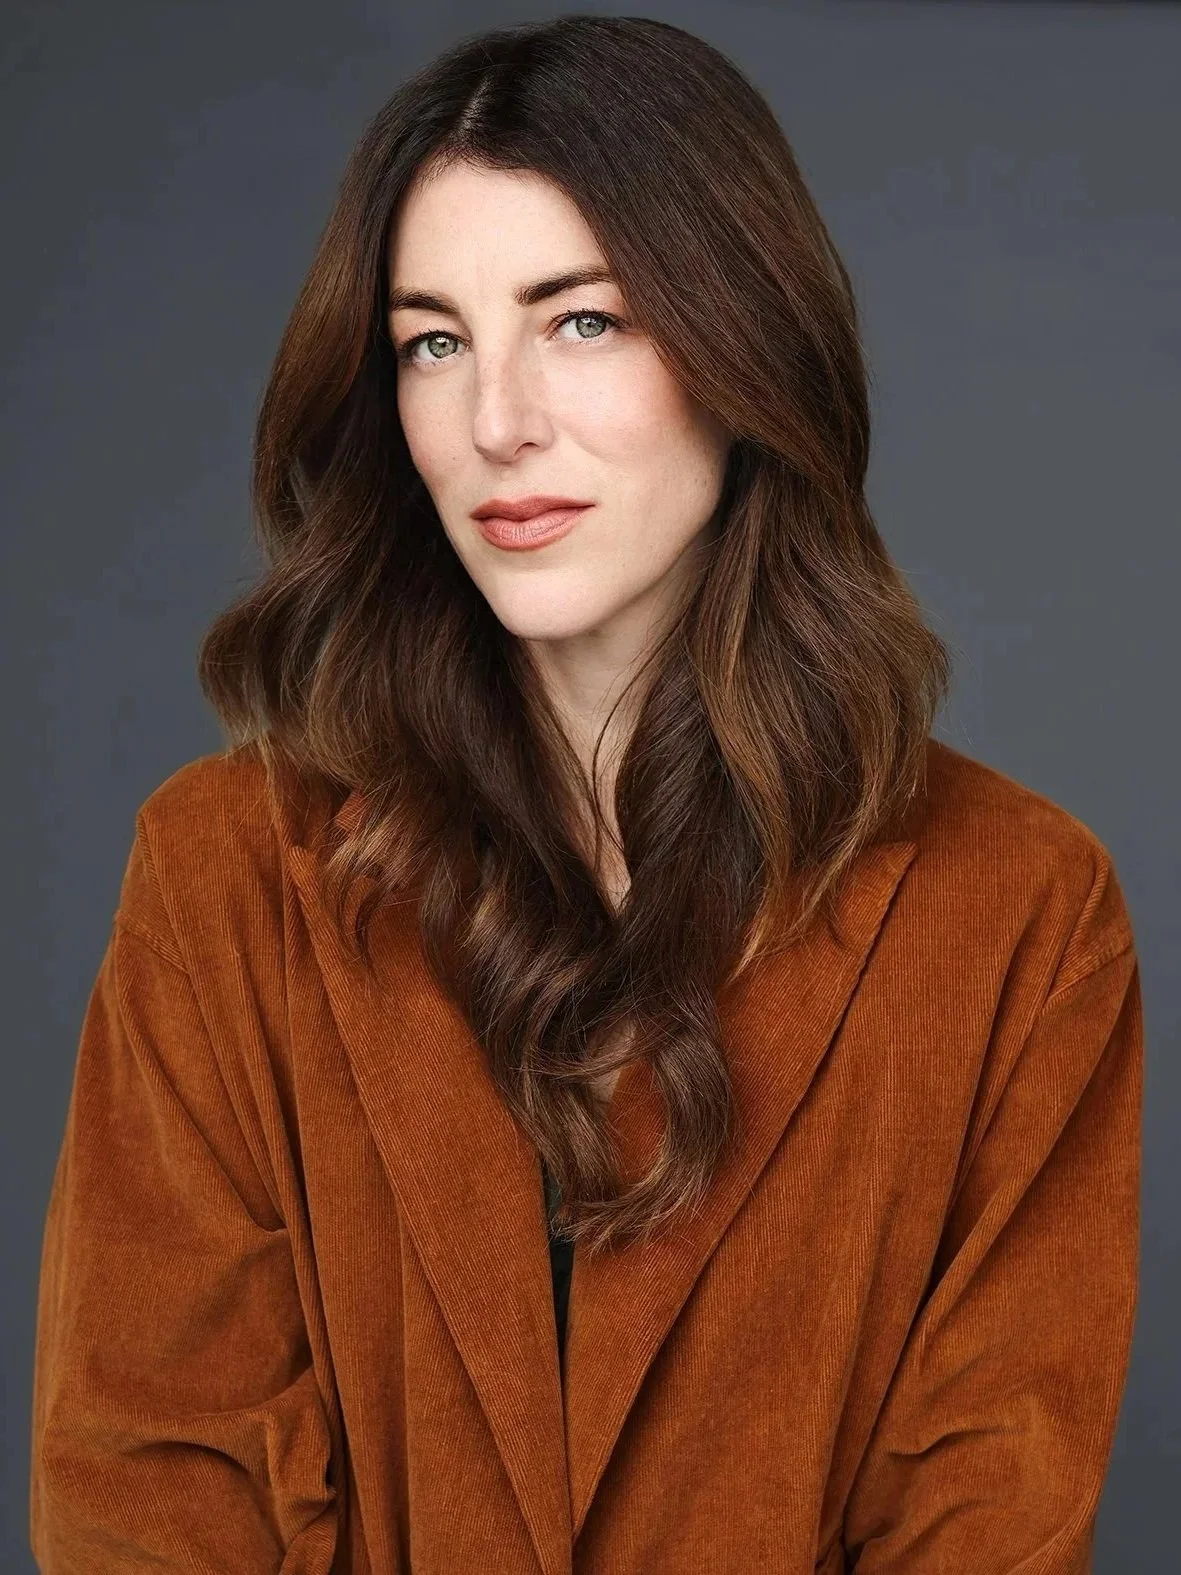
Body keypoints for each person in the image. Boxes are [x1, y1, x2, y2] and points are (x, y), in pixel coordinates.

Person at [29, 14, 1142, 1574]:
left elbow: (986, 1522)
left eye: (582, 320)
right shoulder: (223, 874)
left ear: (744, 342)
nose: (498, 421)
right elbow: (149, 1495)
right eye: (433, 341)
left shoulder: (1020, 910)